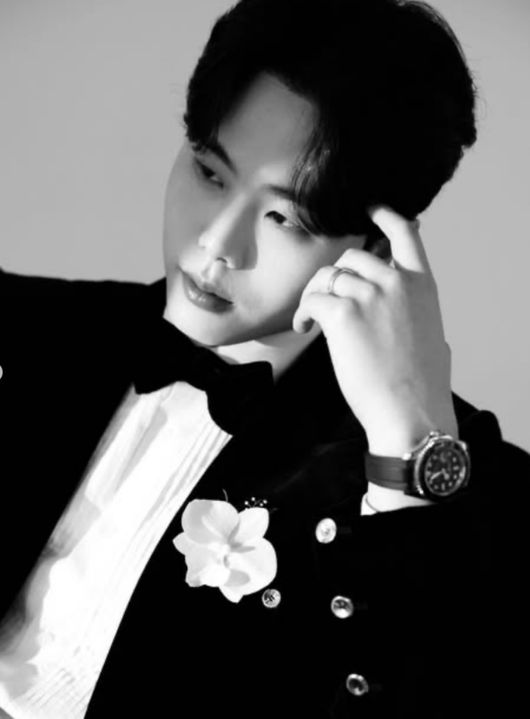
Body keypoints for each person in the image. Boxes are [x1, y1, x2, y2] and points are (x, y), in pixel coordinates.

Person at [0, 0, 528, 717]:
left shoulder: (456, 477)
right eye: (209, 172)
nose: (217, 243)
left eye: (282, 217)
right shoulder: (30, 330)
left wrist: (409, 443)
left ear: (375, 249)